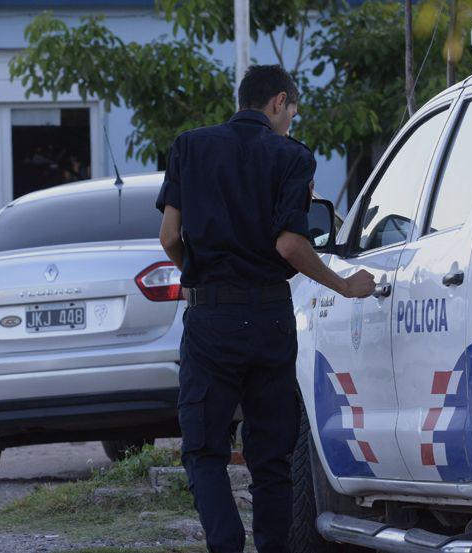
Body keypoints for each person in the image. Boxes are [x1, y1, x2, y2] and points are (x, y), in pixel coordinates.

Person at [156, 65, 375, 553]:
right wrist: (345, 284)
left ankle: (226, 541)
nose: (291, 121)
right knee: (272, 457)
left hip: (211, 318)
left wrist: (203, 273)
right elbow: (291, 246)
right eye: (292, 112)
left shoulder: (189, 147)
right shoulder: (292, 157)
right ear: (279, 102)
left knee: (204, 449)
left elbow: (170, 237)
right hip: (271, 319)